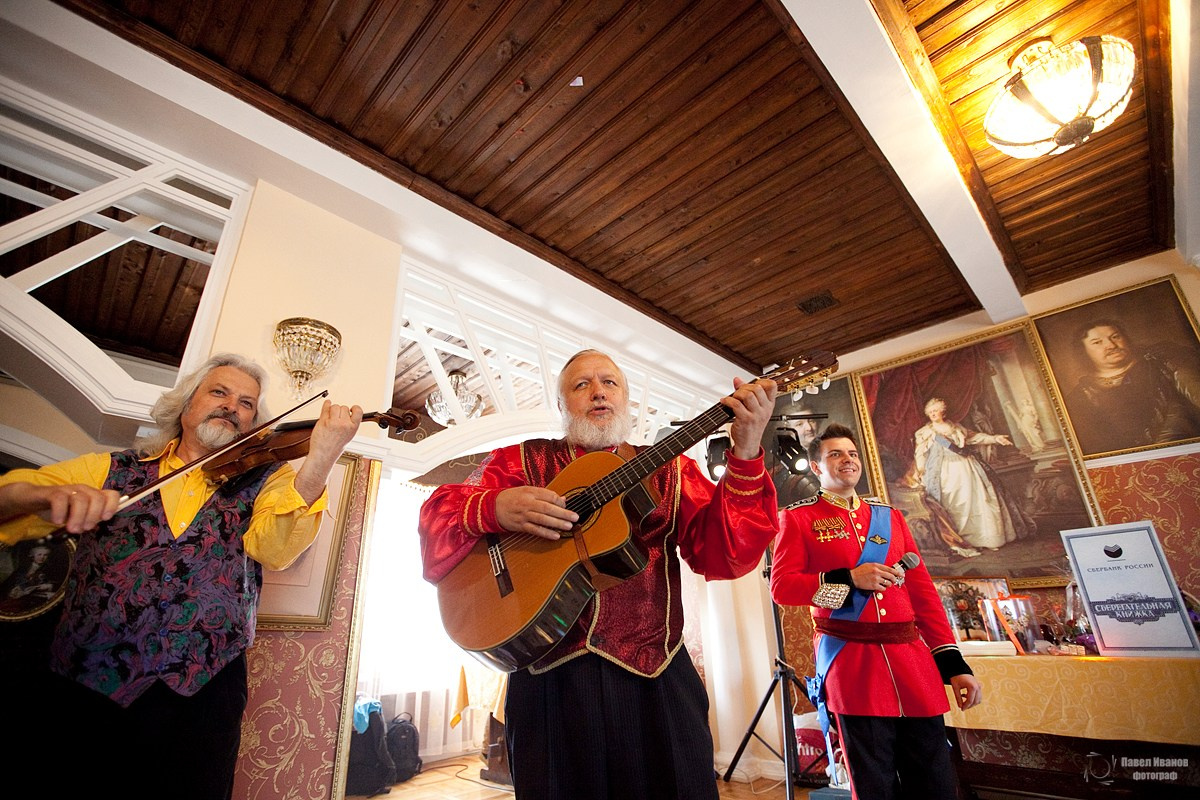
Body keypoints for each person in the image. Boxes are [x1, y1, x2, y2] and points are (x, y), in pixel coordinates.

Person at [419, 349, 779, 800]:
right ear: (562, 405)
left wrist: (745, 452)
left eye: (609, 382)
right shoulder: (518, 462)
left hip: (657, 673)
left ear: (625, 399)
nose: (598, 392)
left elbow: (727, 554)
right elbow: (438, 514)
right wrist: (492, 507)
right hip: (550, 674)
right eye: (581, 384)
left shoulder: (673, 471)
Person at [0, 353, 362, 800]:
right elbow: (8, 498)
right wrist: (45, 495)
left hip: (205, 693)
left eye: (247, 403)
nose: (232, 406)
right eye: (219, 392)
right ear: (186, 406)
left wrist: (322, 456)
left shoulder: (265, 482)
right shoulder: (112, 469)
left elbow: (275, 549)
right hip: (87, 683)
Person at [771, 423, 982, 800]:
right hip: (854, 668)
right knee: (875, 787)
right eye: (835, 454)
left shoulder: (891, 519)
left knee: (934, 783)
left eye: (852, 454)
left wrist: (955, 666)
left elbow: (923, 598)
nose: (847, 460)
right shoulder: (798, 518)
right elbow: (783, 588)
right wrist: (848, 578)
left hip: (914, 667)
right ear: (817, 467)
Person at [907, 397, 1031, 551]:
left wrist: (995, 439)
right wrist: (920, 470)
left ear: (942, 412)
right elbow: (920, 453)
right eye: (930, 412)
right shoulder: (925, 433)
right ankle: (960, 538)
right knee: (952, 501)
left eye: (935, 411)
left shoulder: (956, 428)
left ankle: (984, 538)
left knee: (977, 498)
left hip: (966, 467)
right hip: (943, 471)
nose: (932, 414)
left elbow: (975, 438)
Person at [1064, 319, 1200, 454]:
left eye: (1115, 337)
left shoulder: (1164, 362)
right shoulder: (1081, 396)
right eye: (1097, 342)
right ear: (1084, 351)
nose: (1111, 345)